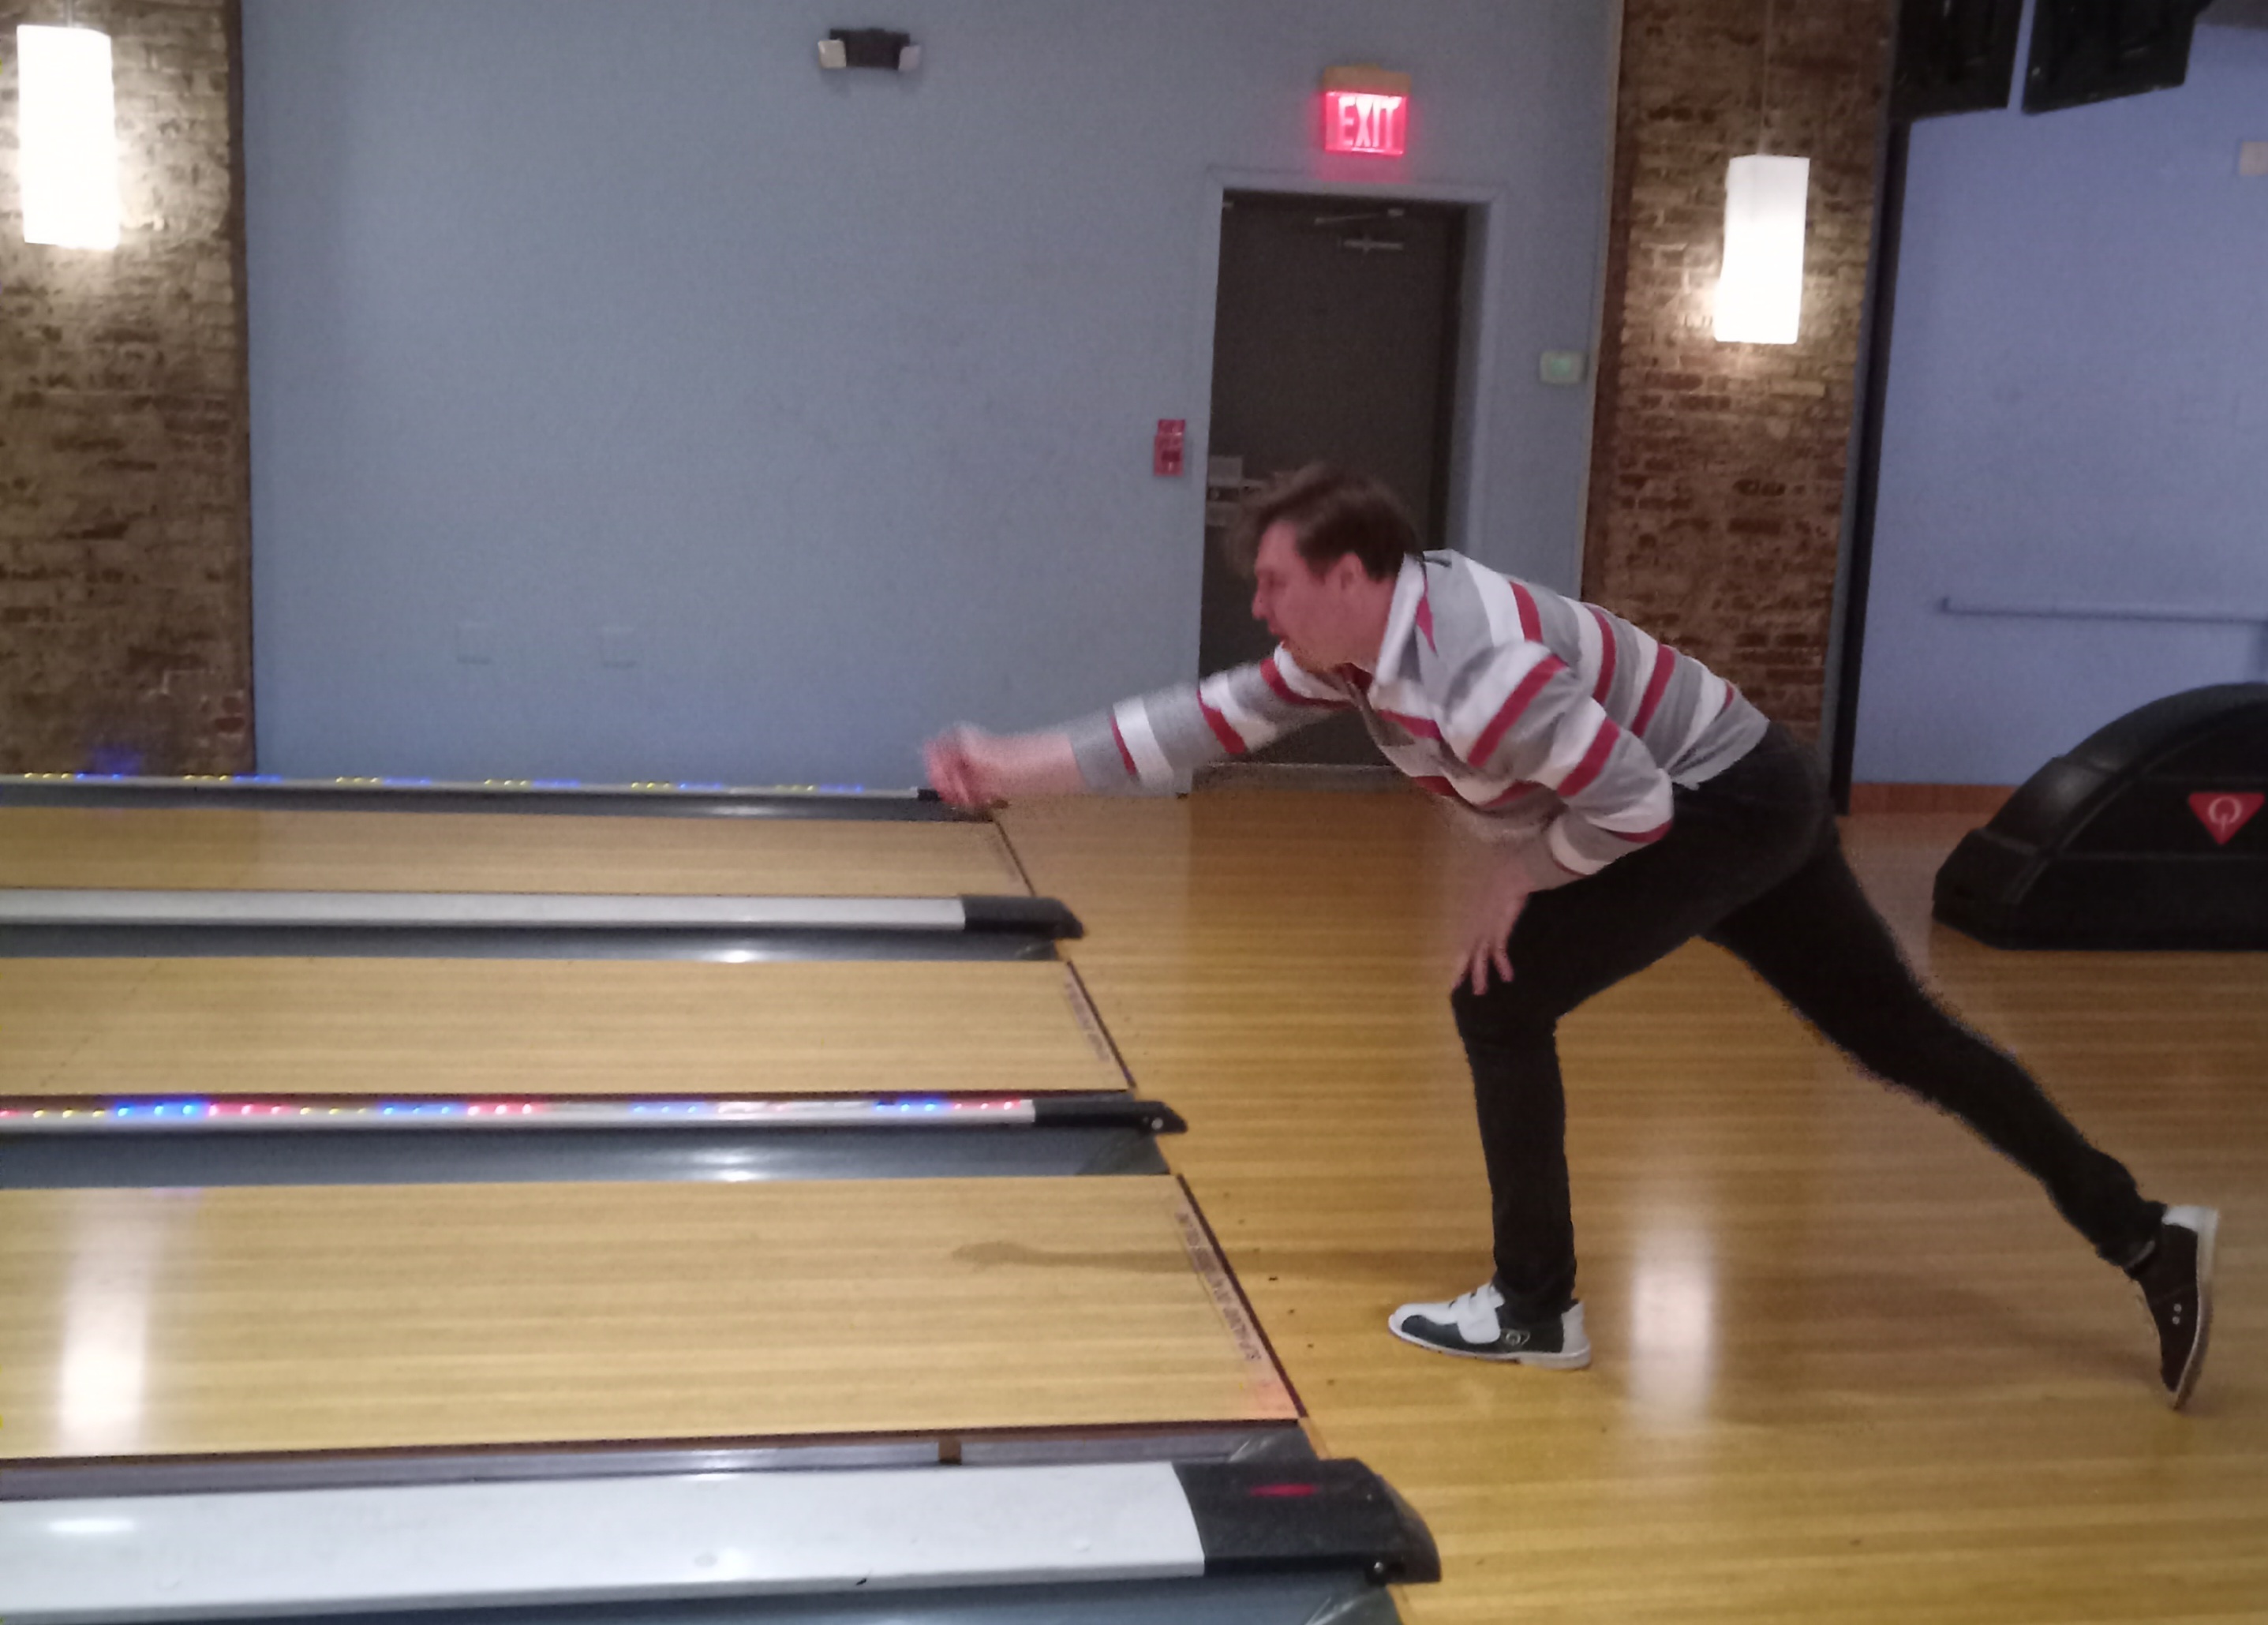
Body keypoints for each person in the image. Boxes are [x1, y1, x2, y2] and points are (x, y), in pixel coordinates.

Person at [924, 465, 2216, 1408]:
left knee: (1500, 999)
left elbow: (1634, 808)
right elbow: (1189, 726)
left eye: (1273, 583)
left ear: (1352, 575)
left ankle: (1535, 1314)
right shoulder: (1353, 653)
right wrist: (1008, 761)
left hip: (1717, 803)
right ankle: (2144, 1233)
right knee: (1901, 1039)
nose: (1260, 609)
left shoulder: (1478, 672)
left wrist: (1515, 879)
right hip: (1740, 782)